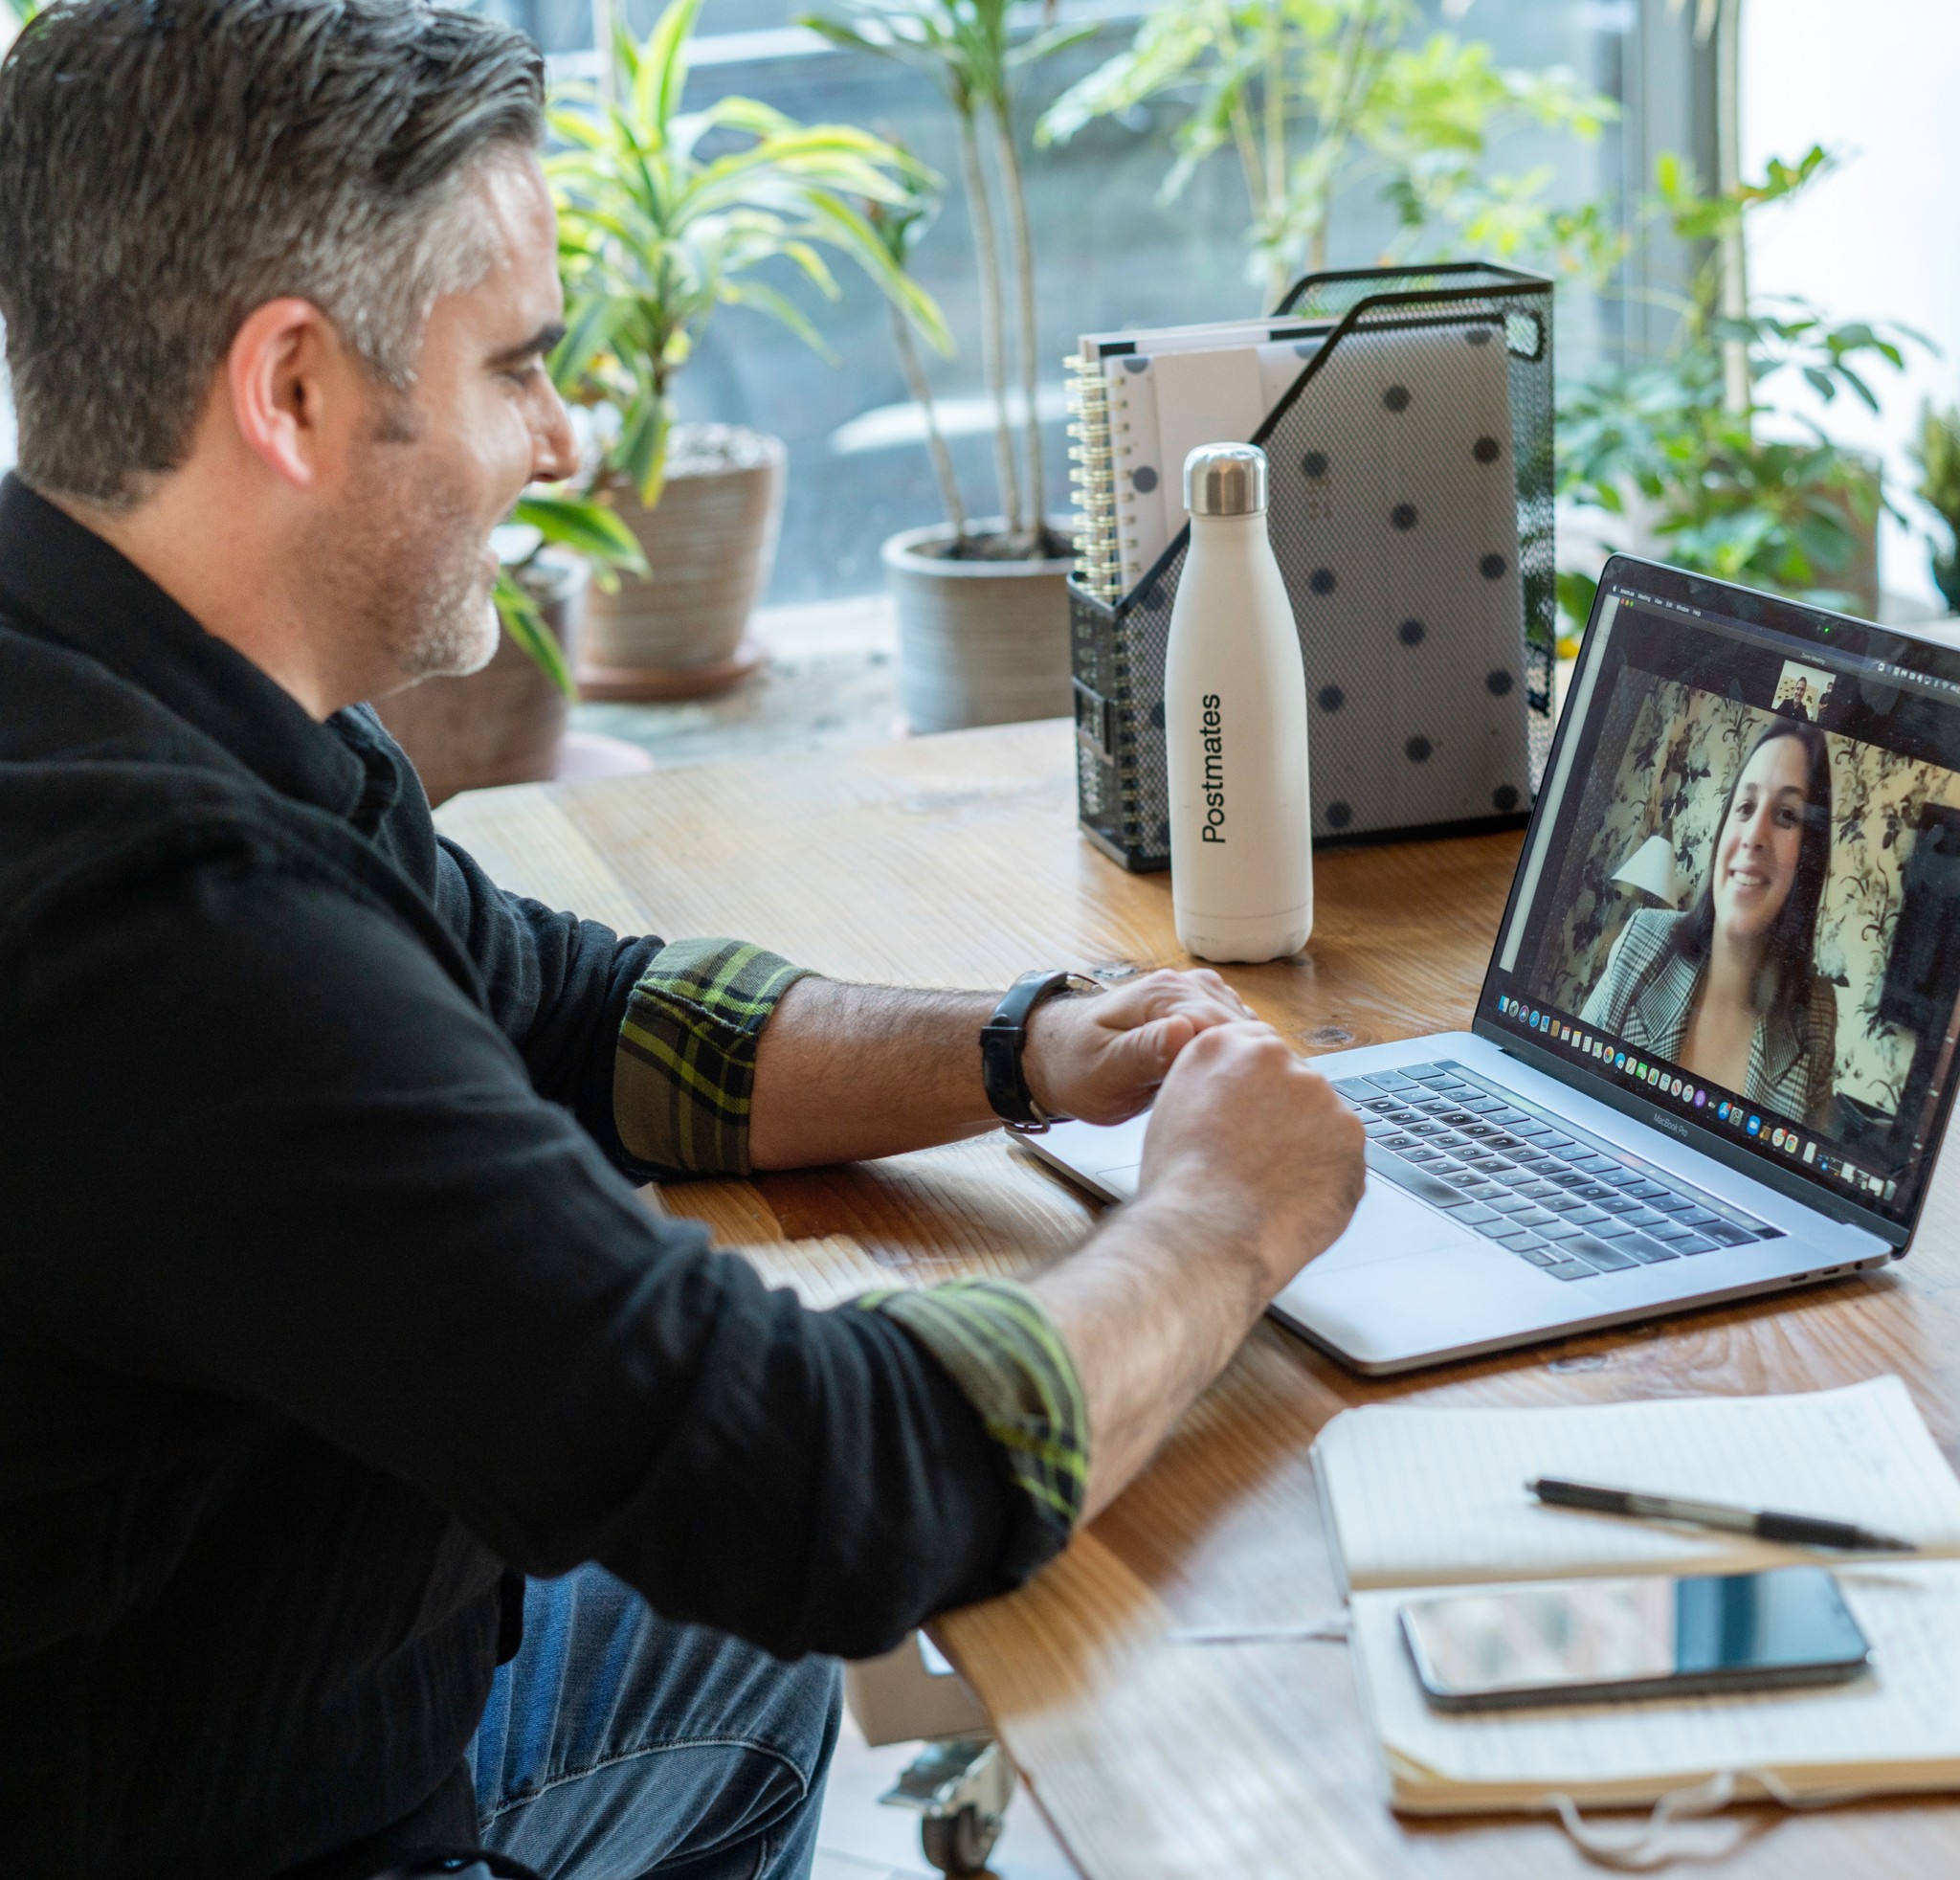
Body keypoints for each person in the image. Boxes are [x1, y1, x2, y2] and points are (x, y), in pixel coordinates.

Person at [0, 3, 1366, 1876]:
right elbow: (825, 1485)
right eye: (514, 368)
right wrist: (1228, 1213)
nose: (561, 439)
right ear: (292, 390)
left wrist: (1025, 1039)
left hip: (199, 1682)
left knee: (729, 1663)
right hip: (227, 1818)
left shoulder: (126, 686)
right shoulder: (185, 934)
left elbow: (572, 1006)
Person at [1581, 720, 1838, 1127]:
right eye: (1745, 807)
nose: (1755, 835)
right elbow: (1564, 1087)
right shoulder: (1641, 940)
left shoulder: (1816, 1015)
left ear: (1808, 856)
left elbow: (1799, 1181)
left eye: (1787, 815)